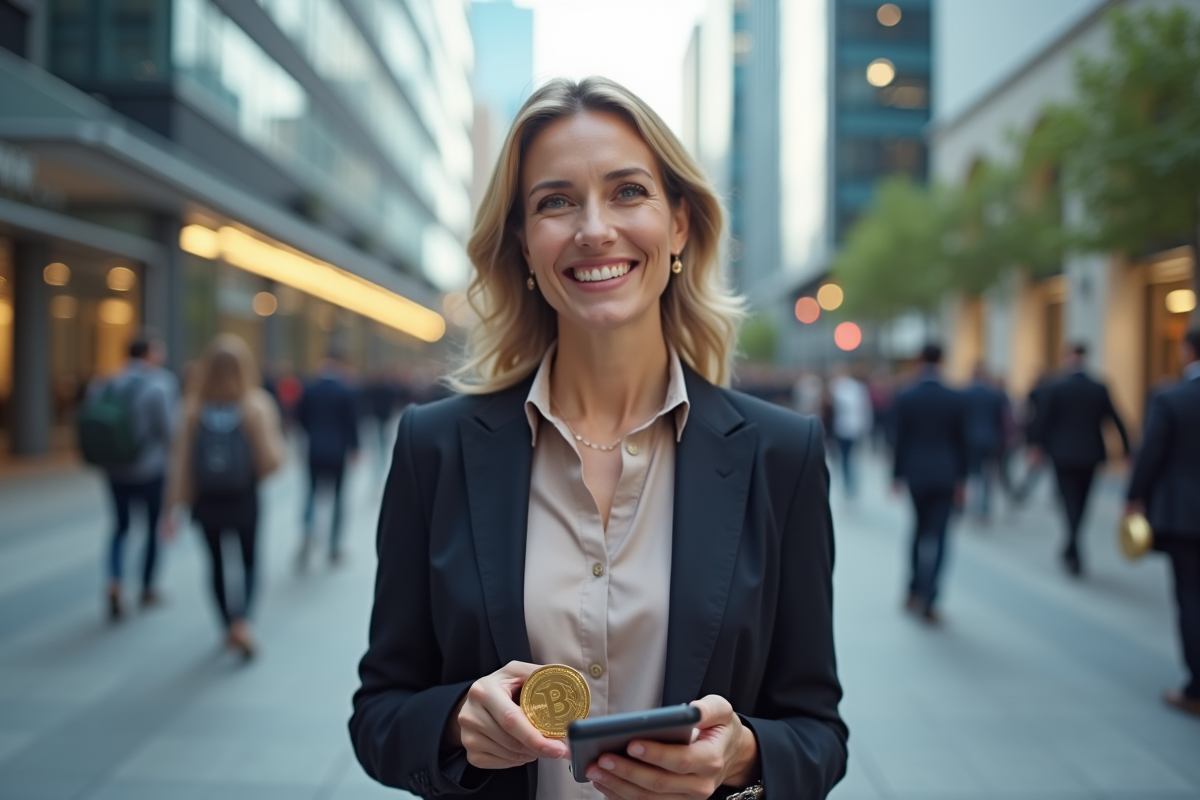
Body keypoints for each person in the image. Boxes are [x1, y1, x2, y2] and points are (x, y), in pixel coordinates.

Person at [349, 77, 847, 800]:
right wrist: (456, 723)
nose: (593, 229)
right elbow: (380, 714)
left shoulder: (781, 454)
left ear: (679, 223)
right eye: (555, 201)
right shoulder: (437, 446)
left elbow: (817, 733)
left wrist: (743, 757)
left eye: (627, 192)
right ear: (522, 242)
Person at [162, 334, 285, 658]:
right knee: (249, 560)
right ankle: (243, 622)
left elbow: (180, 464)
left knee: (215, 563)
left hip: (206, 502)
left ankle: (226, 624)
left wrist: (172, 508)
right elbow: (272, 461)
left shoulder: (191, 408)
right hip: (244, 498)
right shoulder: (255, 406)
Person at [1125, 327, 1200, 718]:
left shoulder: (1171, 398)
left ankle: (1196, 687)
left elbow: (1150, 453)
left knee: (1190, 595)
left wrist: (1132, 497)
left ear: (1188, 351)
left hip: (1185, 516)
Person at [85, 331, 179, 619]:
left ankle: (114, 581)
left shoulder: (104, 383)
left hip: (115, 468)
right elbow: (170, 431)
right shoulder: (160, 385)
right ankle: (148, 588)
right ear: (149, 353)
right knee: (152, 528)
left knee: (119, 526)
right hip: (150, 469)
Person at [1031, 344, 1130, 577]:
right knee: (1082, 502)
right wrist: (1128, 449)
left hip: (1062, 454)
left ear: (1068, 358)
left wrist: (1035, 446)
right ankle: (1073, 547)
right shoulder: (1098, 387)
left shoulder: (1056, 386)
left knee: (1069, 501)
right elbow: (1116, 418)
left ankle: (1072, 546)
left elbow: (1042, 419)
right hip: (1090, 454)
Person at [891, 344, 968, 624]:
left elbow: (899, 439)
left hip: (917, 472)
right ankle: (931, 596)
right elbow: (962, 442)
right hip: (947, 473)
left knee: (918, 530)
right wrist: (963, 479)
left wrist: (896, 476)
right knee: (941, 535)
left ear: (919, 359)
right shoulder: (955, 396)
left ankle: (913, 589)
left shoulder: (907, 395)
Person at [296, 348, 361, 567]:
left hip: (314, 449)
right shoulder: (346, 390)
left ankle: (308, 530)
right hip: (338, 450)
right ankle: (333, 546)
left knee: (312, 493)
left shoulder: (310, 388)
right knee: (339, 498)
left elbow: (301, 418)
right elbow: (352, 422)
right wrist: (355, 448)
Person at [962, 365, 1010, 522]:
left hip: (969, 440)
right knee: (987, 475)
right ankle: (984, 507)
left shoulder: (965, 394)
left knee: (971, 474)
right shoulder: (994, 395)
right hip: (990, 440)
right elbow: (1002, 421)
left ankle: (971, 505)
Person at [829, 368, 872, 499]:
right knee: (846, 459)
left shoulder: (848, 388)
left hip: (851, 428)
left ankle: (850, 485)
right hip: (844, 428)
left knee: (847, 459)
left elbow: (863, 408)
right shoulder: (837, 387)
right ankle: (849, 485)